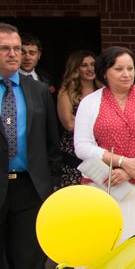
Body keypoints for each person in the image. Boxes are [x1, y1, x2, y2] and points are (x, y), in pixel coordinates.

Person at [74, 46, 135, 237]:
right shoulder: (90, 102)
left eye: (130, 68)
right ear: (104, 72)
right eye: (118, 69)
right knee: (103, 243)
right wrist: (120, 161)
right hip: (103, 184)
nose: (126, 74)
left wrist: (130, 170)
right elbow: (82, 146)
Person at [0, 23, 60, 269]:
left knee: (29, 260)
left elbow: (51, 140)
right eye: (4, 48)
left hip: (30, 186)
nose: (13, 54)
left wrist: (52, 182)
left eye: (17, 48)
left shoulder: (37, 89)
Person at [54, 49, 97, 190]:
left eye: (93, 64)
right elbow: (69, 124)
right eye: (84, 65)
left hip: (100, 153)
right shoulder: (67, 93)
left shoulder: (103, 90)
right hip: (74, 155)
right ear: (75, 68)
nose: (90, 69)